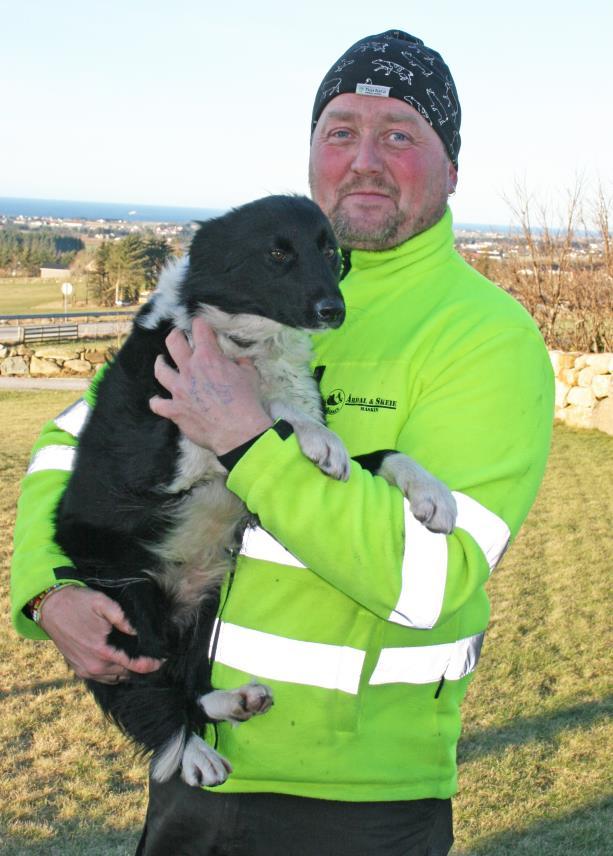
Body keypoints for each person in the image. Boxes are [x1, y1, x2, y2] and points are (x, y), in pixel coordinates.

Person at [11, 30, 554, 856]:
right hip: (198, 764)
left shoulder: (485, 337)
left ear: (451, 165)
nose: (364, 158)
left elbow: (429, 575)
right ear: (311, 154)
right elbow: (71, 445)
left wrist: (246, 437)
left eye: (399, 133)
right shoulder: (237, 284)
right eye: (340, 130)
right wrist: (50, 593)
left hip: (353, 803)